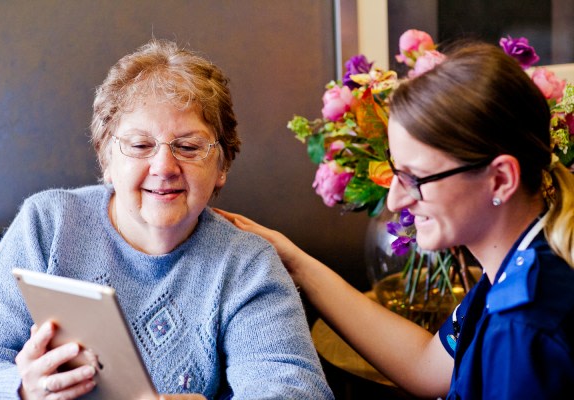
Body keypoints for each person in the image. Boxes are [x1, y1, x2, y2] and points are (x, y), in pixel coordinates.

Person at [0, 39, 333, 400]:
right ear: (106, 159)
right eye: (141, 146)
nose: (163, 167)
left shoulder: (248, 265)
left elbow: (296, 390)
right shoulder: (47, 224)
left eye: (189, 147)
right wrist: (21, 390)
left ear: (222, 165)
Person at [217, 43, 574, 399]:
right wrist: (296, 264)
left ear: (500, 179)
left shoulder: (524, 329)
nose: (396, 199)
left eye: (416, 178)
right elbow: (428, 367)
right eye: (395, 174)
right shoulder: (515, 271)